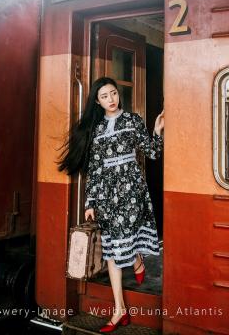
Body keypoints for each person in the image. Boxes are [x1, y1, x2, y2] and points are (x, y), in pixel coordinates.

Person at [58, 77, 164, 333]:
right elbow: (93, 169)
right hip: (106, 193)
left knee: (122, 241)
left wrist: (157, 131)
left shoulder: (132, 120)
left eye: (113, 93)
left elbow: (151, 152)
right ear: (97, 101)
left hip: (131, 190)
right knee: (112, 250)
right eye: (105, 96)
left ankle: (136, 258)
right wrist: (90, 201)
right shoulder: (94, 129)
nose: (111, 99)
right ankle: (120, 310)